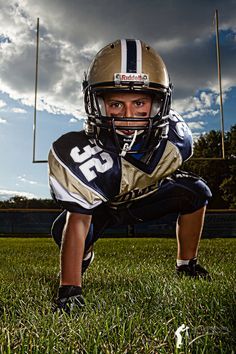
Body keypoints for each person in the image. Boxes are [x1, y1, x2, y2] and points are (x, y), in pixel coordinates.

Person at [48, 39, 212, 313]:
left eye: (139, 102)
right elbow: (78, 220)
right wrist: (70, 289)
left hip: (144, 198)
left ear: (160, 103)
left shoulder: (175, 140)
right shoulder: (80, 153)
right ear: (97, 103)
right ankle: (83, 259)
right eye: (115, 104)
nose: (129, 115)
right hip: (103, 208)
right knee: (71, 233)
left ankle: (187, 265)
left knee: (196, 191)